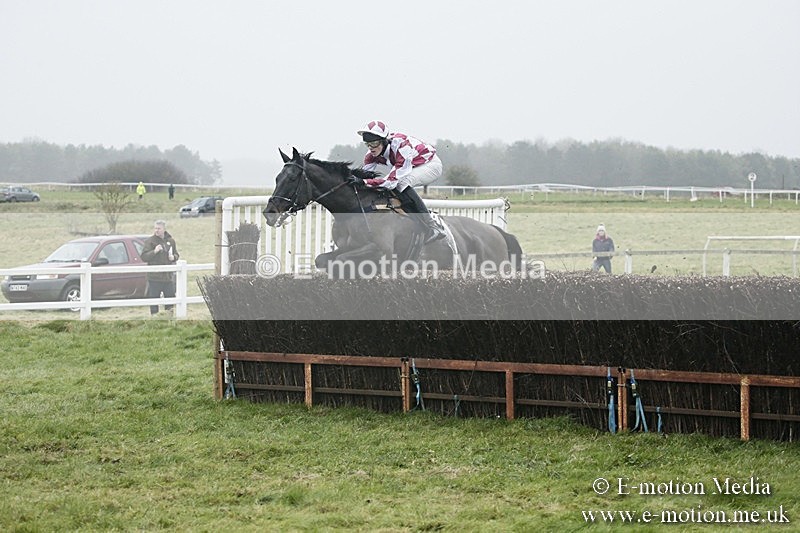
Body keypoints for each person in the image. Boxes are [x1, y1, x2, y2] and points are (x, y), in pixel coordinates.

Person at [354, 120, 446, 244]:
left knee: (401, 183)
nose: (371, 148)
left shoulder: (402, 146)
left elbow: (391, 182)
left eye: (374, 143)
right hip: (413, 165)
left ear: (384, 141)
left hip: (430, 164)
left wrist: (365, 182)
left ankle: (433, 226)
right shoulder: (371, 155)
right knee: (392, 185)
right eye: (368, 144)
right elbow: (363, 176)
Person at [141, 220, 180, 315]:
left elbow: (177, 255)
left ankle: (170, 318)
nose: (156, 230)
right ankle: (155, 319)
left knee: (170, 299)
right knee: (154, 301)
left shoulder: (171, 241)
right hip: (154, 277)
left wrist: (173, 257)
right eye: (155, 228)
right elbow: (143, 257)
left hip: (167, 277)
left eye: (159, 228)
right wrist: (154, 251)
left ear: (164, 229)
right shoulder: (149, 241)